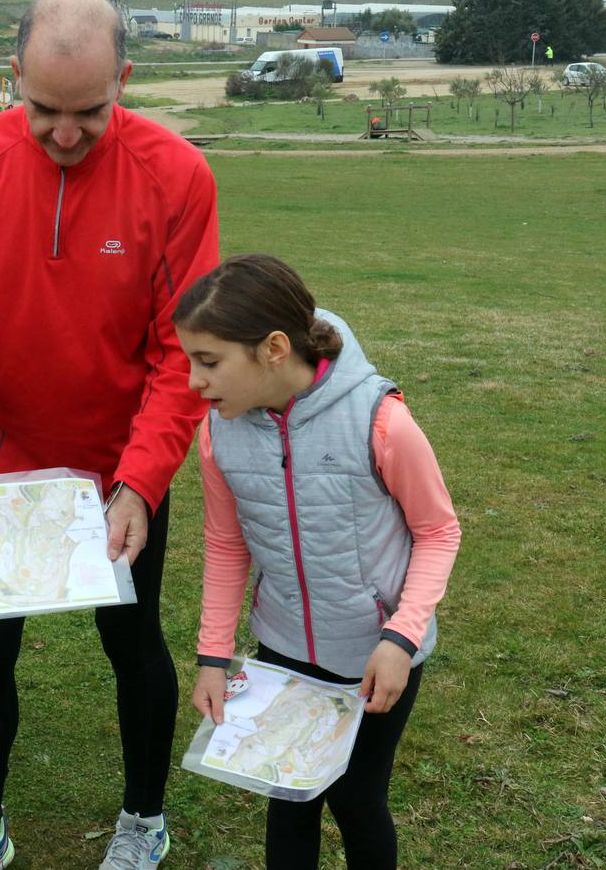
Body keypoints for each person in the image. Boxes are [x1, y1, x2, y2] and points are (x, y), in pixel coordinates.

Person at [0, 0, 218, 870]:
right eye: (44, 111)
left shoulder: (178, 175)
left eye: (91, 114)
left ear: (126, 82)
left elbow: (183, 354)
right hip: (2, 457)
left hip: (118, 468)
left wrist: (142, 480)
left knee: (134, 644)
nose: (66, 135)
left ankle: (144, 820)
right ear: (14, 76)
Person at [174, 254, 461, 870]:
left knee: (357, 800)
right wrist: (213, 657)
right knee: (288, 792)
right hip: (282, 648)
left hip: (376, 654)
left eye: (209, 361)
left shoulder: (381, 420)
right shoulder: (217, 431)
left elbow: (438, 530)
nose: (194, 382)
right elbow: (228, 544)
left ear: (273, 348)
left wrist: (401, 637)